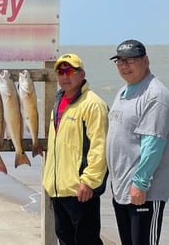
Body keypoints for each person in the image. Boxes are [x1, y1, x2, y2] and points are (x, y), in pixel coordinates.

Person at [42, 53, 109, 245]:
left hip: (81, 190)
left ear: (82, 74)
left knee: (86, 240)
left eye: (70, 70)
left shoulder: (93, 104)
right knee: (65, 239)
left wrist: (88, 181)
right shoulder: (59, 101)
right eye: (61, 71)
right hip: (59, 190)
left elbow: (100, 146)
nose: (65, 76)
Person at [107, 39, 169, 245]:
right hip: (122, 190)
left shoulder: (155, 94)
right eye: (120, 61)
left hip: (144, 192)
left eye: (130, 60)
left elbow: (154, 142)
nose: (124, 65)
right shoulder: (123, 92)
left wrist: (140, 183)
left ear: (145, 60)